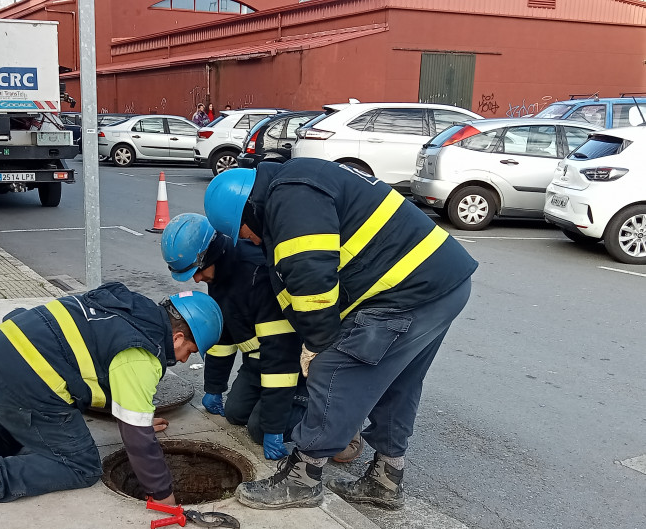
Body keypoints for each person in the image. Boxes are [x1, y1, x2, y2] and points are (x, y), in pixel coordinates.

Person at [203, 159, 478, 510]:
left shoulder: (289, 199)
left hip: (407, 290)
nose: (249, 240)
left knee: (334, 368)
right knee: (397, 383)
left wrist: (317, 344)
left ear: (250, 210)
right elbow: (293, 284)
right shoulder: (298, 181)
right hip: (440, 283)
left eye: (244, 232)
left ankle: (302, 479)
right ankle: (385, 479)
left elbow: (311, 278)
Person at [0, 283, 223, 519]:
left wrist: (135, 411)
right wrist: (165, 498)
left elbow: (96, 363)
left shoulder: (126, 308)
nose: (182, 361)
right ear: (178, 336)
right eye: (189, 352)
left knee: (13, 431)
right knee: (80, 465)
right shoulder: (142, 352)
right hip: (17, 387)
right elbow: (138, 440)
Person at [160, 213, 303, 461]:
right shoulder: (220, 273)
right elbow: (223, 338)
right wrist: (214, 388)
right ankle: (272, 406)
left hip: (292, 367)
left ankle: (330, 413)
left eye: (197, 271)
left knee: (261, 429)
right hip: (257, 364)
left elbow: (280, 358)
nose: (196, 279)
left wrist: (275, 427)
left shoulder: (259, 277)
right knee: (235, 413)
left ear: (212, 255)